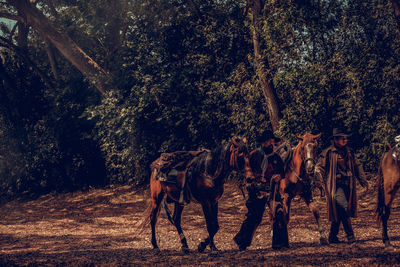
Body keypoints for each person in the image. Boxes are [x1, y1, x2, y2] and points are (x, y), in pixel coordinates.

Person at [234, 129, 287, 250]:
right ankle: (242, 242)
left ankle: (279, 243)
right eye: (268, 141)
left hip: (272, 189)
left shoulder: (276, 157)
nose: (270, 143)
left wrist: (278, 176)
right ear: (263, 142)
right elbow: (247, 171)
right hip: (257, 189)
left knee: (278, 211)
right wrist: (251, 182)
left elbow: (282, 172)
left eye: (271, 141)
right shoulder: (254, 155)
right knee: (254, 217)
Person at [314, 127, 368, 244]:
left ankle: (332, 237)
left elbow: (357, 166)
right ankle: (351, 236)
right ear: (335, 139)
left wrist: (363, 180)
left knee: (339, 211)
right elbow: (319, 167)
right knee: (343, 207)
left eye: (345, 138)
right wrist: (318, 180)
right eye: (342, 138)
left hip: (348, 185)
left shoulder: (349, 152)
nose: (345, 140)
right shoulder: (328, 152)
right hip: (335, 186)